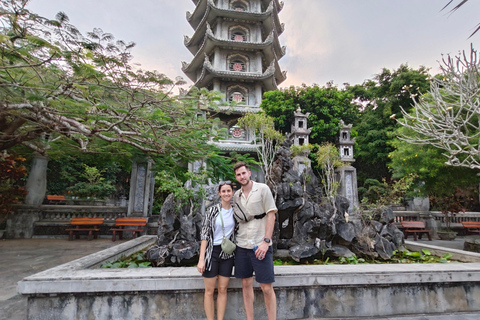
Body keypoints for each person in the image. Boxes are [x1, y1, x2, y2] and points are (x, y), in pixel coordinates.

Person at [232, 162, 277, 320]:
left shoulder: (263, 189)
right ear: (236, 177)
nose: (242, 177)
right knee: (245, 284)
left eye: (243, 173)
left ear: (249, 173)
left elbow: (271, 215)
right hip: (242, 244)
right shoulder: (236, 196)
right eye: (238, 175)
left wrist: (266, 241)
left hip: (260, 244)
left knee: (266, 287)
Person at [197, 181, 236, 320]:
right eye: (223, 191)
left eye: (228, 191)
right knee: (209, 291)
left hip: (227, 253)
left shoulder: (236, 211)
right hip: (211, 252)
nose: (226, 194)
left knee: (223, 289)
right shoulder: (212, 210)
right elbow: (205, 235)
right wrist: (201, 259)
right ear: (219, 193)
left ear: (232, 192)